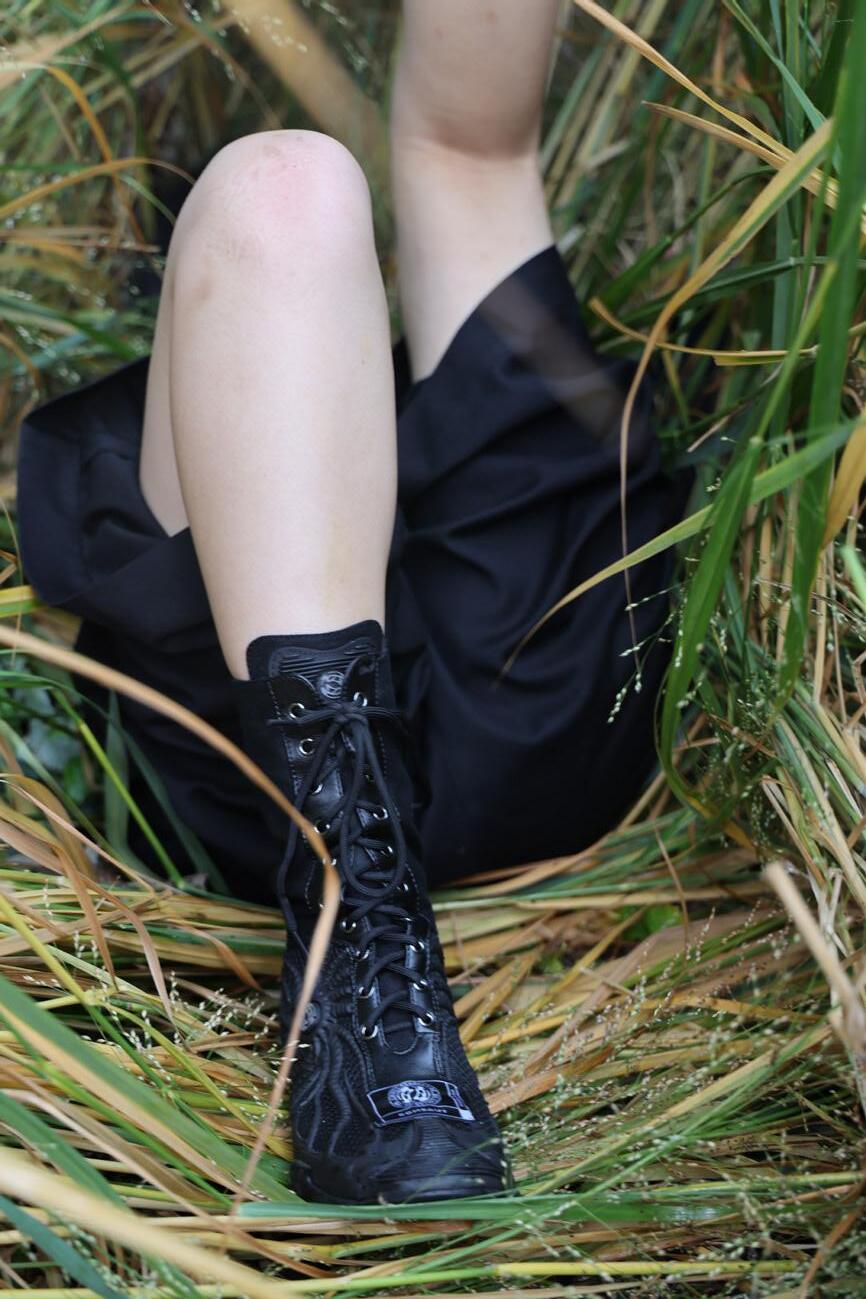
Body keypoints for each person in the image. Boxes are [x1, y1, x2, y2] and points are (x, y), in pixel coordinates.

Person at [17, 1, 689, 1204]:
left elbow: (466, 144)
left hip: (521, 679)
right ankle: (356, 914)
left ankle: (361, 917)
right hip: (342, 745)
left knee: (327, 179)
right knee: (288, 188)